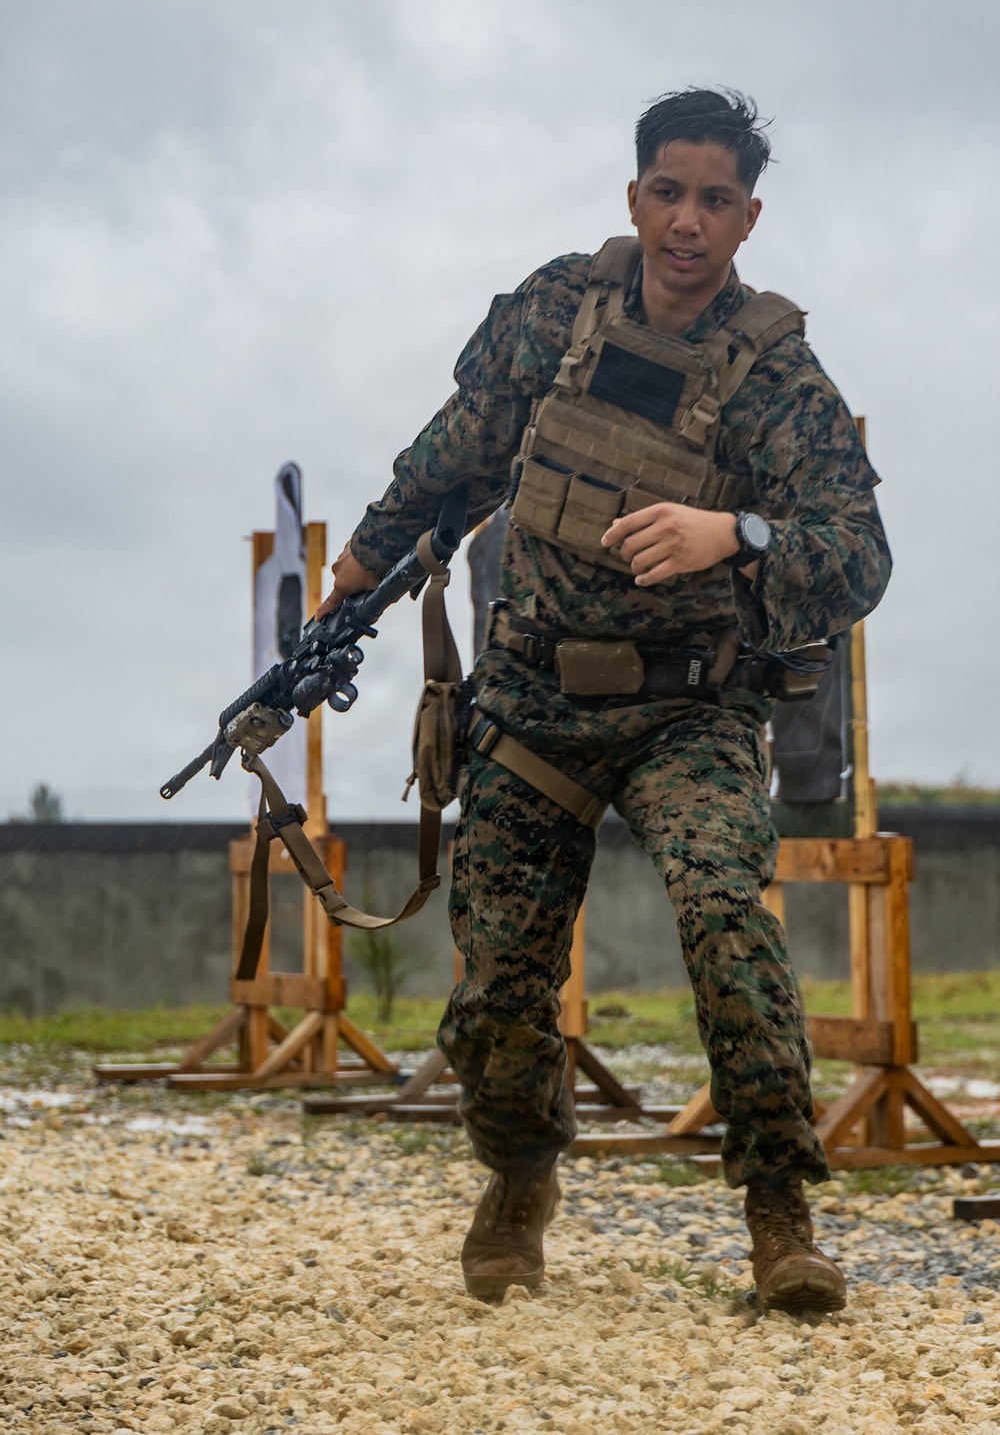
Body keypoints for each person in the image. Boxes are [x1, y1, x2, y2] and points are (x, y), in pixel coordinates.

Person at [318, 88, 891, 1311]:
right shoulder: (553, 312)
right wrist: (362, 564)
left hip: (689, 708)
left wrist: (730, 532)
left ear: (749, 219)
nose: (688, 222)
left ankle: (778, 1216)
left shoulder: (777, 377)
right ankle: (520, 1179)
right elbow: (463, 445)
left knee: (726, 922)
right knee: (495, 981)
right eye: (667, 192)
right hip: (535, 700)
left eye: (715, 201)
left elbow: (858, 556)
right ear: (633, 196)